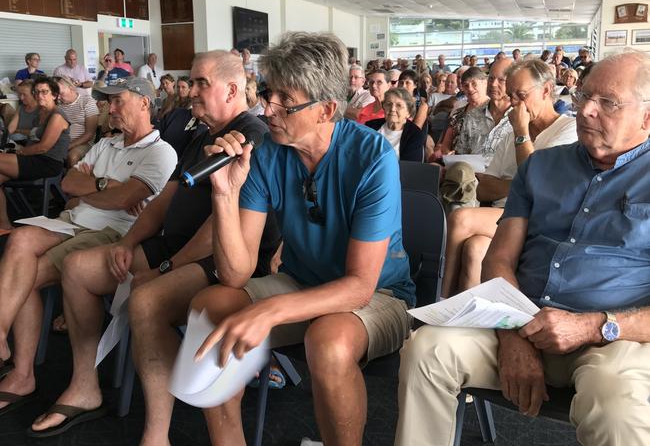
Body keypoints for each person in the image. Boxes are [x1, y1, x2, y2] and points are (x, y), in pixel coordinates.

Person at [397, 50, 650, 446]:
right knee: (427, 349)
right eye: (585, 97)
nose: (586, 112)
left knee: (616, 403)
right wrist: (514, 334)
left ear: (647, 118)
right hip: (521, 321)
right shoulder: (541, 167)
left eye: (608, 103)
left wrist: (596, 325)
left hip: (614, 338)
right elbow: (499, 258)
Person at [29, 51, 277, 443]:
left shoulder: (252, 136)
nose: (191, 91)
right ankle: (85, 386)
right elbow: (164, 201)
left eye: (200, 83)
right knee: (78, 270)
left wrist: (165, 268)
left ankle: (156, 434)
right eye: (191, 82)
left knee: (146, 300)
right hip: (172, 247)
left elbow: (221, 226)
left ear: (232, 89)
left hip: (222, 257)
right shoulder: (203, 134)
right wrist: (128, 242)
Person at [189, 32, 414, 446]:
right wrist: (224, 192)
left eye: (285, 102)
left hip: (381, 295)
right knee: (210, 307)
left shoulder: (371, 158)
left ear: (327, 109)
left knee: (327, 342)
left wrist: (271, 311)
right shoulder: (268, 151)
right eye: (268, 94)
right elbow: (235, 275)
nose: (267, 109)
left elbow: (360, 286)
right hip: (301, 281)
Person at [0, 77, 177, 419]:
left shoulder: (160, 151)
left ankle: (23, 374)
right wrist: (101, 185)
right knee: (20, 240)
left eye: (118, 101)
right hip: (75, 220)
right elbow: (68, 184)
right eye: (107, 102)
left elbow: (128, 198)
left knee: (25, 273)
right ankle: (6, 344)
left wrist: (96, 190)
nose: (110, 109)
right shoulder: (107, 144)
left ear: (144, 103)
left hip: (112, 231)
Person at [440, 60, 578, 298]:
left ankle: (442, 296)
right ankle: (469, 316)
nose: (514, 102)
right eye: (512, 95)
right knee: (475, 249)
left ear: (546, 90)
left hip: (535, 219)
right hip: (502, 216)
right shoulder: (510, 134)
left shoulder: (567, 130)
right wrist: (519, 186)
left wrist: (522, 134)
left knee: (461, 218)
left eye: (521, 95)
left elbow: (538, 187)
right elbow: (484, 190)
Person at [0, 77, 70, 230]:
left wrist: (19, 152)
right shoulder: (40, 114)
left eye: (44, 92)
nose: (40, 96)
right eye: (37, 92)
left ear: (54, 95)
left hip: (47, 162)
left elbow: (43, 147)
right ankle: (5, 225)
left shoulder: (57, 115)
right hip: (33, 159)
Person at [366, 87, 426, 161]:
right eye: (388, 104)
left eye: (399, 105)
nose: (392, 109)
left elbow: (410, 168)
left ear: (409, 112)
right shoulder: (370, 126)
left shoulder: (415, 135)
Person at [53, 76, 100, 166]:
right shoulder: (58, 106)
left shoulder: (86, 102)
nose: (58, 98)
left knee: (72, 156)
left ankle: (70, 179)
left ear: (71, 88)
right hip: (61, 143)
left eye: (61, 93)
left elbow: (89, 134)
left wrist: (68, 146)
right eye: (56, 95)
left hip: (83, 143)